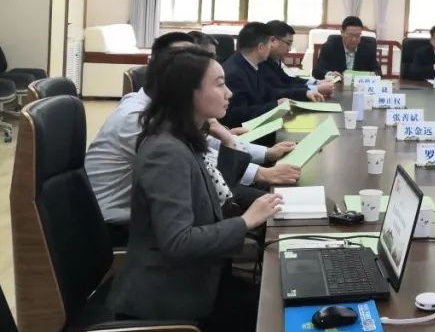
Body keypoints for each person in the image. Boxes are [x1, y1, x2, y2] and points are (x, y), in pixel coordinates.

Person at [108, 47, 285, 332]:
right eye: (219, 84)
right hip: (167, 293)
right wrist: (246, 222)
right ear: (189, 93)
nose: (229, 93)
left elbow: (217, 199)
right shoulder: (166, 152)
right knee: (267, 329)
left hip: (193, 276)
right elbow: (178, 242)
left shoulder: (185, 138)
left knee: (271, 306)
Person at [85, 32, 296, 247]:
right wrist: (257, 184)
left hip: (158, 213)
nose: (194, 63)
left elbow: (205, 150)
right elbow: (202, 164)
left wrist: (252, 150)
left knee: (265, 200)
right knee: (265, 205)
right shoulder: (142, 122)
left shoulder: (166, 115)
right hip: (116, 225)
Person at [221, 22, 323, 128]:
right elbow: (238, 115)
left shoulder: (249, 64)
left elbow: (268, 92)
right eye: (270, 44)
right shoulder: (235, 73)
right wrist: (275, 105)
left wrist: (304, 93)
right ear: (261, 47)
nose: (271, 47)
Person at [264, 20, 335, 98]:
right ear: (273, 40)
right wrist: (316, 89)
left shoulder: (274, 59)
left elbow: (288, 80)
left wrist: (316, 83)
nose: (289, 49)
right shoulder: (262, 61)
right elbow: (279, 89)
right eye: (288, 43)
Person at [312, 16, 380, 79]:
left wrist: (373, 75)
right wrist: (329, 74)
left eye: (357, 35)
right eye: (350, 35)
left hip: (360, 86)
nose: (354, 39)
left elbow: (378, 72)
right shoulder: (329, 47)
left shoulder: (368, 49)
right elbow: (317, 71)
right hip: (337, 86)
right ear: (342, 32)